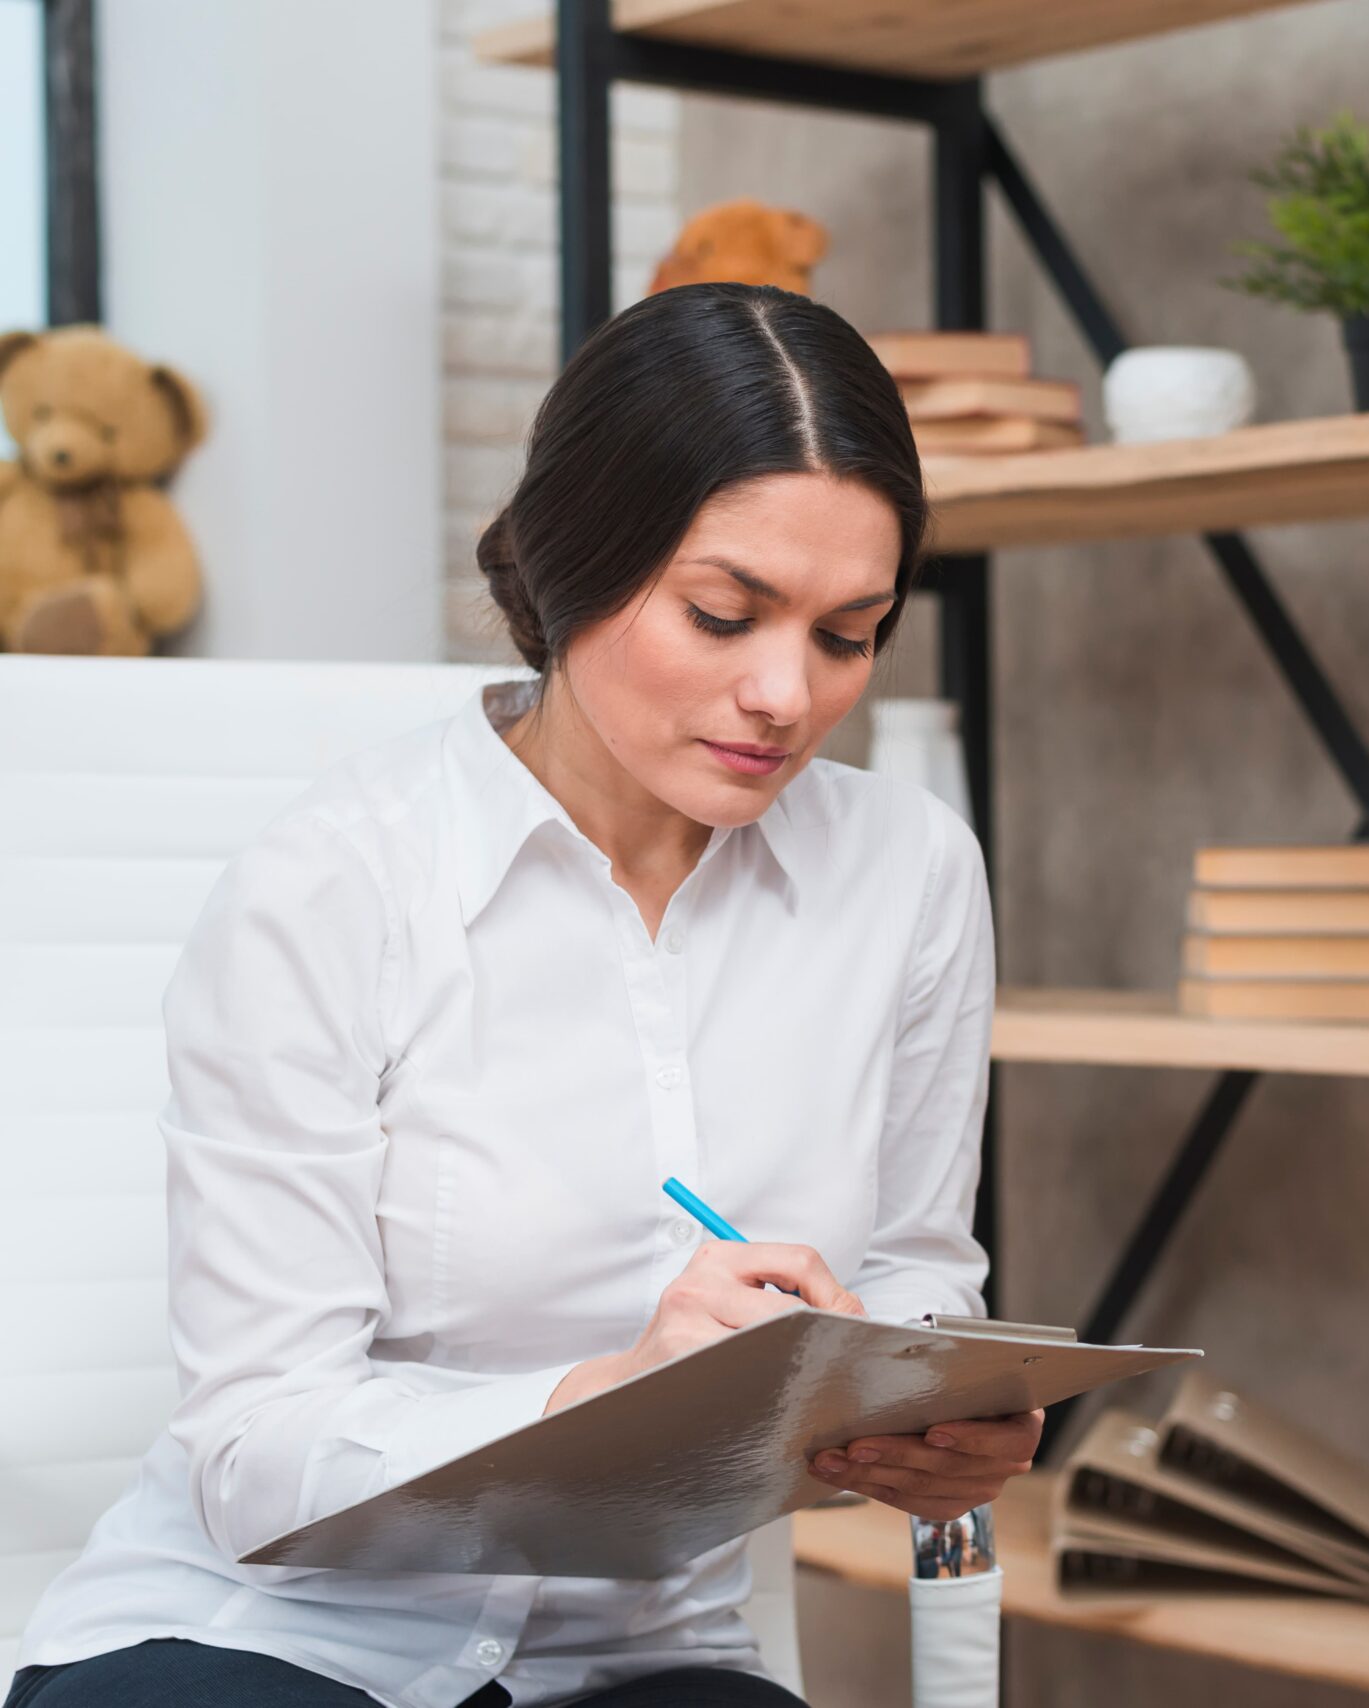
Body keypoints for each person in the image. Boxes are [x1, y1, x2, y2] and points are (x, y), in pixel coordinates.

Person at [9, 284, 1036, 1708]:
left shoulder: (911, 873)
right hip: (269, 1635)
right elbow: (253, 1450)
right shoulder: (332, 889)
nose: (785, 695)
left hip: (642, 1653)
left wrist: (932, 1414)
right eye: (723, 614)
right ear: (573, 562)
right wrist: (616, 1398)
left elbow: (923, 1267)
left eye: (848, 634)